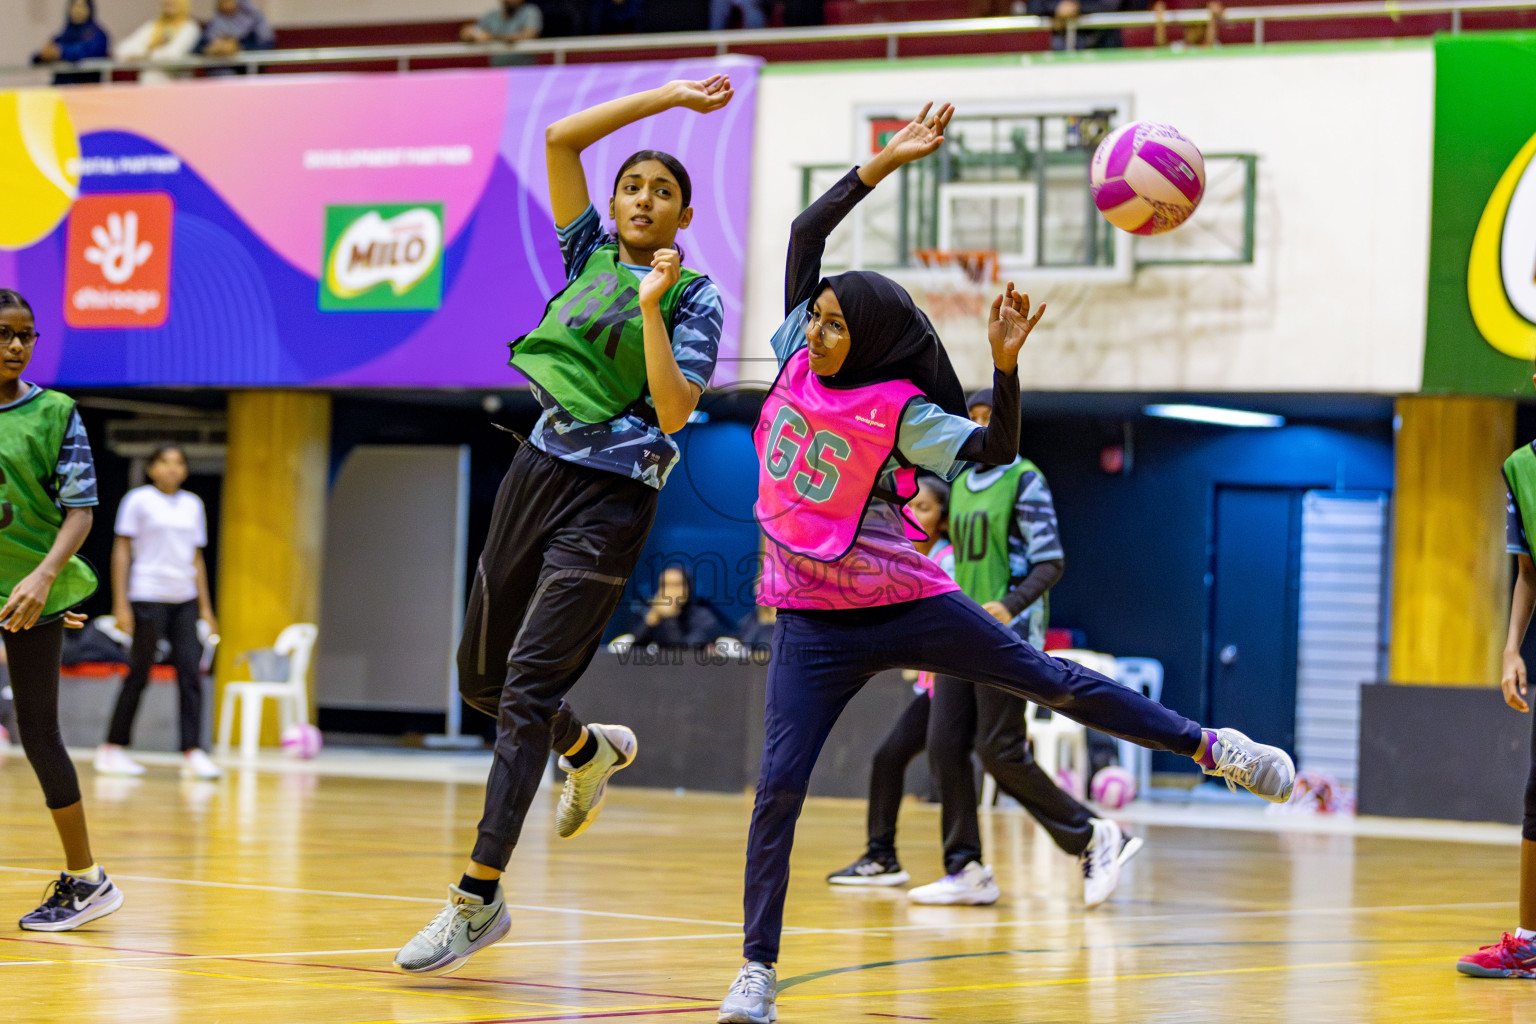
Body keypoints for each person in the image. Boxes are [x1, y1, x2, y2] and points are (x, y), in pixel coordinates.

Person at [716, 101, 1296, 1024]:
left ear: (868, 340)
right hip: (810, 621)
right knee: (778, 788)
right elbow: (804, 232)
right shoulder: (791, 352)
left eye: (832, 325)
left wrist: (1007, 370)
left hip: (900, 598)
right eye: (815, 317)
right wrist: (884, 163)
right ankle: (755, 972)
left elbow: (994, 453)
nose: (815, 331)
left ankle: (1213, 748)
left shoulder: (904, 412)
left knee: (1048, 680)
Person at [392, 74, 733, 977]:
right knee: (481, 681)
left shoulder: (695, 298)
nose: (644, 200)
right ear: (613, 206)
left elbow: (672, 411)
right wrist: (669, 97)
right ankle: (586, 749)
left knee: (524, 691)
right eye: (632, 187)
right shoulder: (587, 254)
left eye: (663, 191)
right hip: (535, 470)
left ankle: (478, 899)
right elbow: (560, 140)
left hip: (612, 498)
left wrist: (652, 306)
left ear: (684, 215)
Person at [913, 388, 1136, 909]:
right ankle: (965, 867)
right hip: (961, 630)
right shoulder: (961, 482)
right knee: (944, 745)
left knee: (999, 749)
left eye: (990, 417)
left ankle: (1091, 836)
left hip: (1007, 633)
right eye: (973, 417)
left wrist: (1010, 606)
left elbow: (1050, 561)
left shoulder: (1024, 478)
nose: (981, 425)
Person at [0, 288, 124, 932]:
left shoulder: (55, 412)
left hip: (28, 592)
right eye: (3, 333)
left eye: (26, 334)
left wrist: (47, 581)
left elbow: (80, 511)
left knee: (39, 732)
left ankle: (87, 878)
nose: (15, 345)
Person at [825, 476, 952, 890]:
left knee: (995, 762)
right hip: (933, 690)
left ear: (944, 521)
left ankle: (1087, 830)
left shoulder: (948, 561)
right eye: (909, 506)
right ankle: (882, 856)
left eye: (925, 508)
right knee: (889, 758)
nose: (912, 514)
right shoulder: (902, 557)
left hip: (956, 688)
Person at [1456, 424, 1536, 978]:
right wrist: (1511, 649)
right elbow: (1528, 571)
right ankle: (1528, 945)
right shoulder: (1520, 468)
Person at [95, 444, 221, 781]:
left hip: (185, 597)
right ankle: (112, 748)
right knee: (140, 671)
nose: (172, 468)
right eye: (164, 462)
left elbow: (196, 558)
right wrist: (121, 603)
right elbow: (122, 551)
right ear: (152, 468)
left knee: (191, 674)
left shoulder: (193, 504)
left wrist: (206, 608)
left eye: (179, 462)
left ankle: (192, 751)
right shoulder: (138, 500)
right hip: (147, 594)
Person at [623, 564, 730, 649]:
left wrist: (671, 617)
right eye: (665, 585)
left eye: (676, 585)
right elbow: (632, 648)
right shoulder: (649, 611)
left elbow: (683, 652)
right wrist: (650, 621)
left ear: (688, 588)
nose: (670, 591)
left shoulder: (703, 615)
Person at [115, 0, 201, 85]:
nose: (168, 6)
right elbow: (121, 50)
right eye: (165, 3)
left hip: (176, 82)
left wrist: (145, 54)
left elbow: (172, 55)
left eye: (173, 3)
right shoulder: (154, 26)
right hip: (148, 81)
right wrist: (146, 53)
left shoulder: (190, 27)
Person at [32, 1, 111, 87]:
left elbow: (84, 51)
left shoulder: (97, 35)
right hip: (61, 88)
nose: (77, 10)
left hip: (87, 87)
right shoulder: (64, 35)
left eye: (82, 7)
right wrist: (42, 55)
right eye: (75, 6)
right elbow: (44, 54)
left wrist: (60, 52)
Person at [197, 0, 276, 76]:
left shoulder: (255, 20)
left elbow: (266, 46)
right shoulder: (214, 24)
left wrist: (238, 47)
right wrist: (209, 49)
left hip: (247, 76)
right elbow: (198, 48)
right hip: (215, 79)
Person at [1026, 0, 1140, 50]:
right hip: (1063, 41)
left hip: (1104, 42)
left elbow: (1111, 6)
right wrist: (1057, 7)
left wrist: (1077, 7)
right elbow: (1033, 7)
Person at [461, 0, 543, 66]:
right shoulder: (492, 15)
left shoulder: (530, 11)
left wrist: (491, 37)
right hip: (498, 72)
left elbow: (529, 34)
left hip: (524, 71)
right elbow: (467, 33)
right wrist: (474, 35)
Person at [1152, 0, 1221, 48]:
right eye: (1186, 26)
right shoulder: (1181, 46)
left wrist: (1212, 19)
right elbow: (1162, 47)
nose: (1188, 30)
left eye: (1193, 26)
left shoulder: (1214, 44)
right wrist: (1160, 21)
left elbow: (1210, 46)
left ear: (1203, 29)